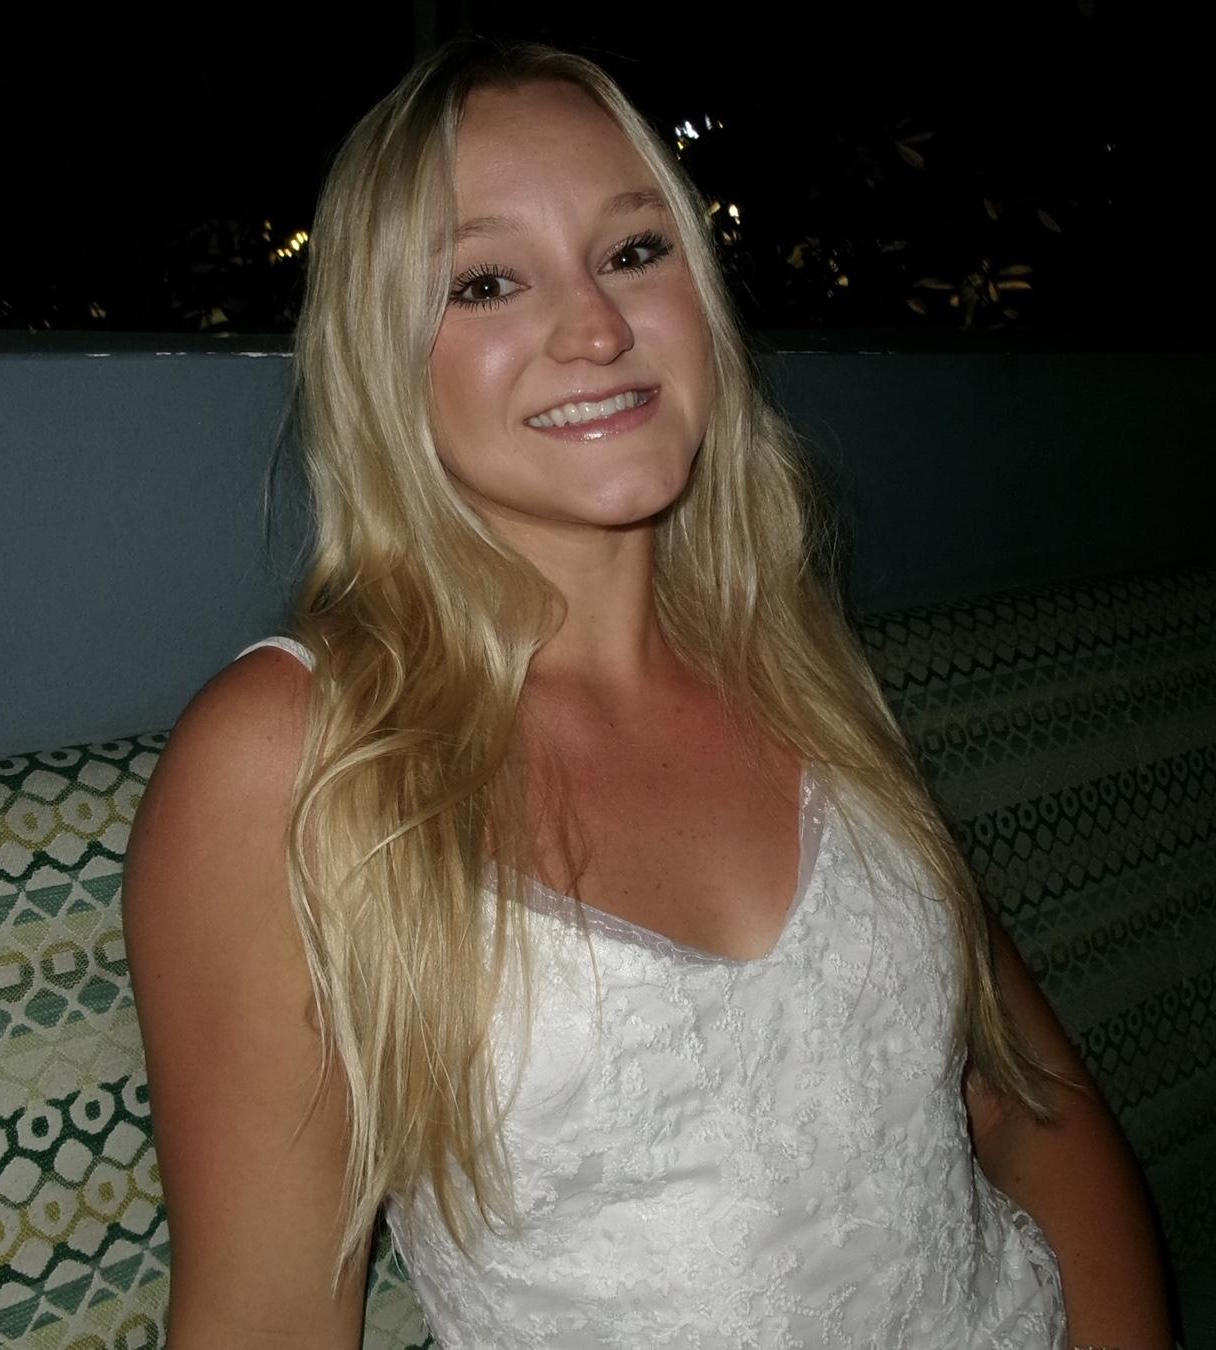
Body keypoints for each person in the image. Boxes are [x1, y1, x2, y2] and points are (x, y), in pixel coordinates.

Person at [123, 38, 1173, 1350]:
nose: (597, 328)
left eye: (633, 251)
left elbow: (1022, 1103)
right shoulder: (293, 757)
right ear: (379, 360)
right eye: (486, 281)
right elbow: (268, 1317)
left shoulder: (791, 666)